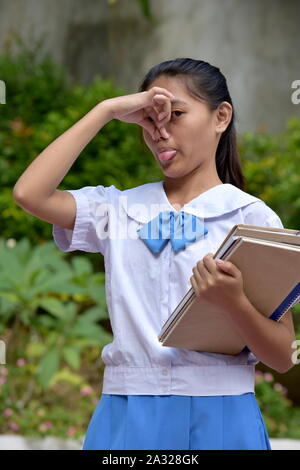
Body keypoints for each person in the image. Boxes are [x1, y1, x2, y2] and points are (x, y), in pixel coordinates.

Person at [13, 57, 296, 451]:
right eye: (149, 118)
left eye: (176, 114)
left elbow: (282, 355)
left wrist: (233, 304)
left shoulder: (252, 218)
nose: (160, 131)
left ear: (221, 117)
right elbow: (29, 194)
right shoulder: (117, 209)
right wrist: (106, 111)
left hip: (223, 417)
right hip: (127, 414)